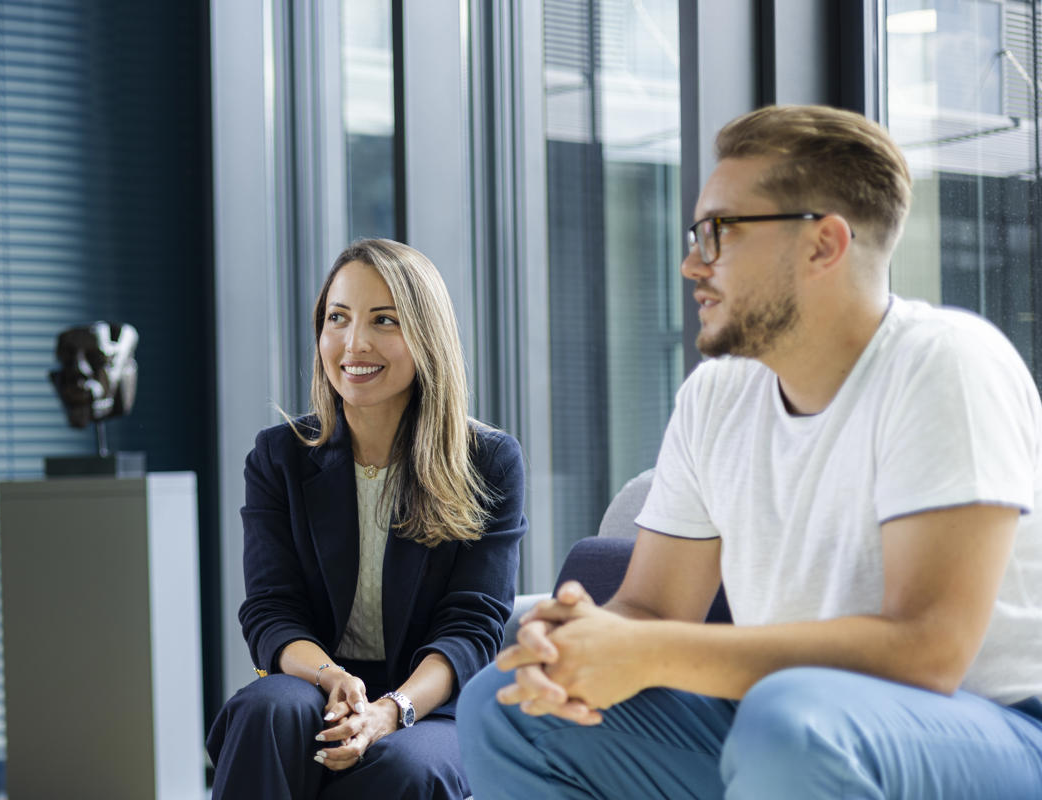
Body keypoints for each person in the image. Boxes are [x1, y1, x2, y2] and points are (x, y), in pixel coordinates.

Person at [457, 104, 1042, 798]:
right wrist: (577, 643)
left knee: (791, 722)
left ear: (823, 244)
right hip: (788, 725)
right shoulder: (717, 396)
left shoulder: (945, 362)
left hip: (991, 734)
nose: (690, 263)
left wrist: (651, 653)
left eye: (718, 234)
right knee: (509, 703)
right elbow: (652, 608)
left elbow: (928, 651)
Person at [207, 238, 527, 799]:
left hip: (432, 705)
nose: (354, 343)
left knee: (406, 769)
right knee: (266, 709)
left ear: (426, 336)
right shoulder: (278, 456)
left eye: (385, 320)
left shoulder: (489, 461)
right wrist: (332, 678)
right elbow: (272, 610)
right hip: (319, 683)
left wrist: (390, 710)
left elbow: (472, 628)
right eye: (338, 318)